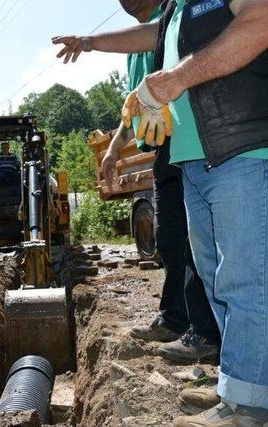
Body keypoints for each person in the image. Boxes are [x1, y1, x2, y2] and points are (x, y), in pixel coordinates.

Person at [81, 0, 268, 424]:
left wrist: (175, 78)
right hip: (194, 159)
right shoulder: (174, 10)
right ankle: (240, 384)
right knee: (217, 281)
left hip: (238, 149)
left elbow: (261, 21)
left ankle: (251, 406)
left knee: (247, 280)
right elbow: (146, 35)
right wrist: (91, 42)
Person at [52, 0, 219, 364]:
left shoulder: (171, 19)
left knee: (193, 243)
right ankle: (178, 319)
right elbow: (134, 108)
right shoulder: (145, 42)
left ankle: (204, 331)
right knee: (173, 241)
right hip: (163, 149)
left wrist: (90, 40)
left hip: (187, 141)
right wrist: (112, 151)